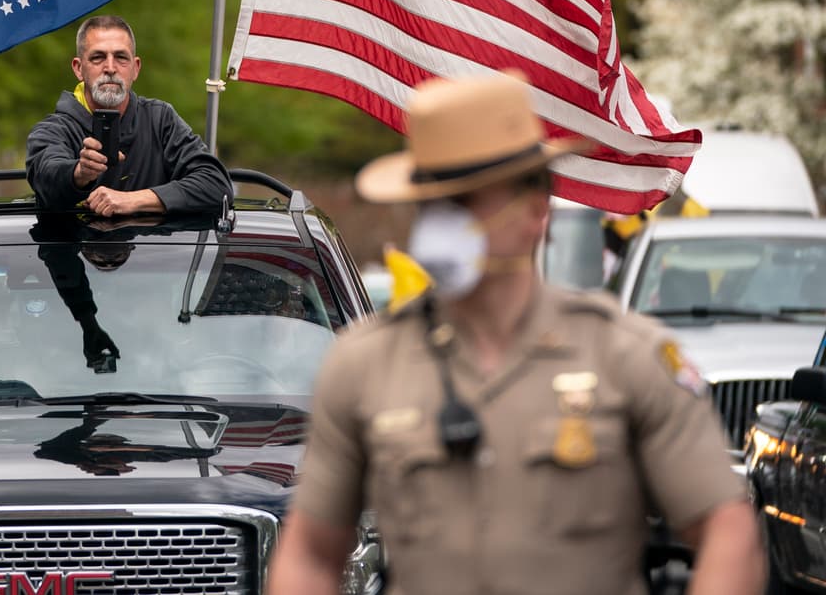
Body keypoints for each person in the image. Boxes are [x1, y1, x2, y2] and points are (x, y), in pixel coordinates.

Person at [265, 72, 764, 595]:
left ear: (534, 211)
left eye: (465, 203)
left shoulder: (625, 356)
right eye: (431, 204)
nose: (440, 226)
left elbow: (727, 534)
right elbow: (310, 554)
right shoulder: (363, 364)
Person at [25, 14, 231, 217]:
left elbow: (216, 185)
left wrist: (133, 200)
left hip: (154, 251)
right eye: (98, 58)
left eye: (121, 57)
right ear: (78, 69)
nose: (110, 68)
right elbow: (45, 176)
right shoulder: (53, 130)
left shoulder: (160, 120)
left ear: (135, 68)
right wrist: (79, 173)